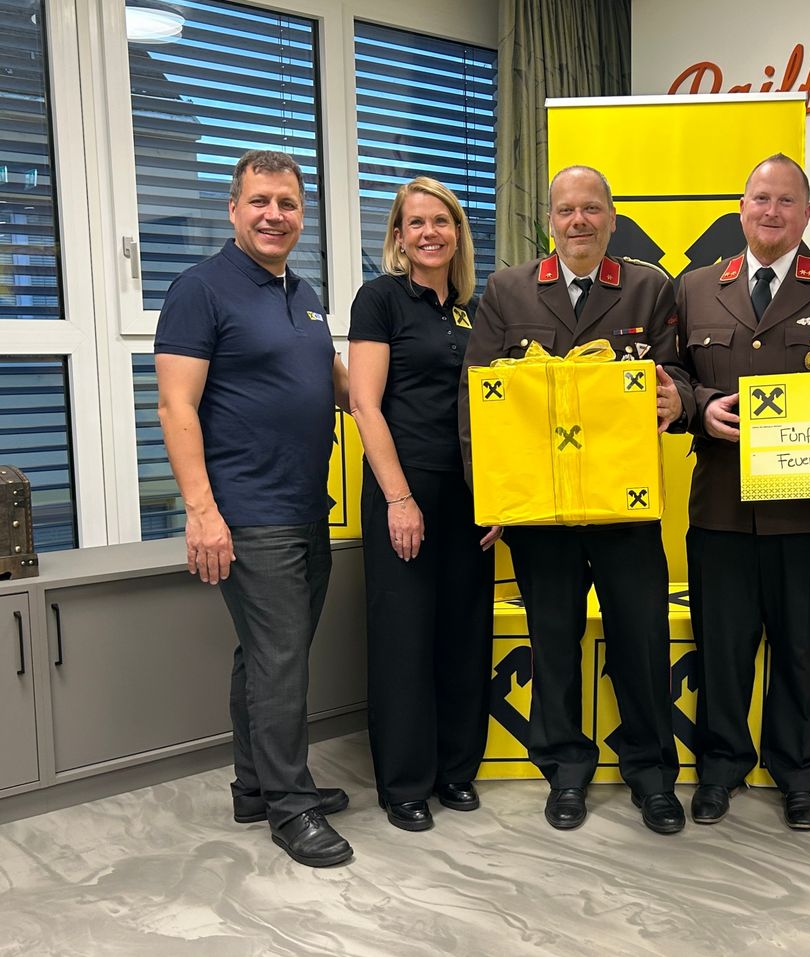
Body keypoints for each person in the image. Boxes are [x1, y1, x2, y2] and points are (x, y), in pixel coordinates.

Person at [460, 165, 690, 835]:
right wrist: (491, 494)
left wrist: (672, 393)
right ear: (551, 221)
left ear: (612, 218)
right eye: (567, 210)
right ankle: (564, 770)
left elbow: (675, 369)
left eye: (593, 208)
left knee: (640, 643)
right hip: (540, 511)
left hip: (623, 505)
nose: (580, 220)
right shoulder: (507, 290)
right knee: (553, 641)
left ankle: (651, 773)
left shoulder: (649, 286)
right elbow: (478, 400)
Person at [675, 154, 810, 830]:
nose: (771, 211)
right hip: (722, 505)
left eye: (785, 200)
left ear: (806, 213)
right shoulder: (698, 286)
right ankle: (720, 768)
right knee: (722, 647)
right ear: (741, 208)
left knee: (800, 647)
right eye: (760, 198)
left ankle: (799, 772)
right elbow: (667, 375)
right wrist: (699, 404)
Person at [155, 150, 353, 868]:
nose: (276, 215)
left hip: (306, 503)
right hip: (248, 508)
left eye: (289, 204)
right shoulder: (200, 289)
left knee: (270, 656)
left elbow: (332, 384)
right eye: (262, 201)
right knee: (279, 660)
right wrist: (202, 511)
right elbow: (176, 405)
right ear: (234, 210)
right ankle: (291, 808)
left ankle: (255, 785)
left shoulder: (302, 292)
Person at [348, 177, 499, 832]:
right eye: (416, 222)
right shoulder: (380, 299)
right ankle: (405, 783)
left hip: (470, 492)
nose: (430, 232)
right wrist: (400, 498)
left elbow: (499, 412)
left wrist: (501, 496)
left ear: (458, 232)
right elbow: (363, 403)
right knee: (405, 637)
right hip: (404, 487)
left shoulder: (475, 309)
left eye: (442, 221)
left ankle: (455, 770)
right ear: (399, 237)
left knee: (464, 631)